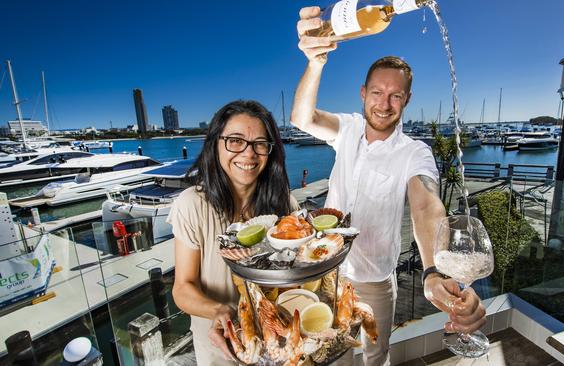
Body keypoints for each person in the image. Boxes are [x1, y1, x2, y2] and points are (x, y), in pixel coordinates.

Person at [293, 7, 487, 365]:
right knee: (327, 356)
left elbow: (427, 204)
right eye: (378, 93)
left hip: (375, 284)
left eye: (395, 95)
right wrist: (316, 62)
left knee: (374, 357)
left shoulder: (414, 152)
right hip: (327, 275)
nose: (384, 104)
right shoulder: (347, 128)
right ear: (363, 93)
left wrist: (432, 271)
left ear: (407, 100)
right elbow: (302, 117)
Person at [169, 100, 294, 365]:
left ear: (271, 152)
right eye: (235, 141)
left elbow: (295, 276)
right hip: (220, 347)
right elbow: (182, 287)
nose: (249, 154)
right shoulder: (192, 204)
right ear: (215, 144)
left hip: (279, 345)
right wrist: (217, 310)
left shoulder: (286, 206)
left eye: (260, 144)